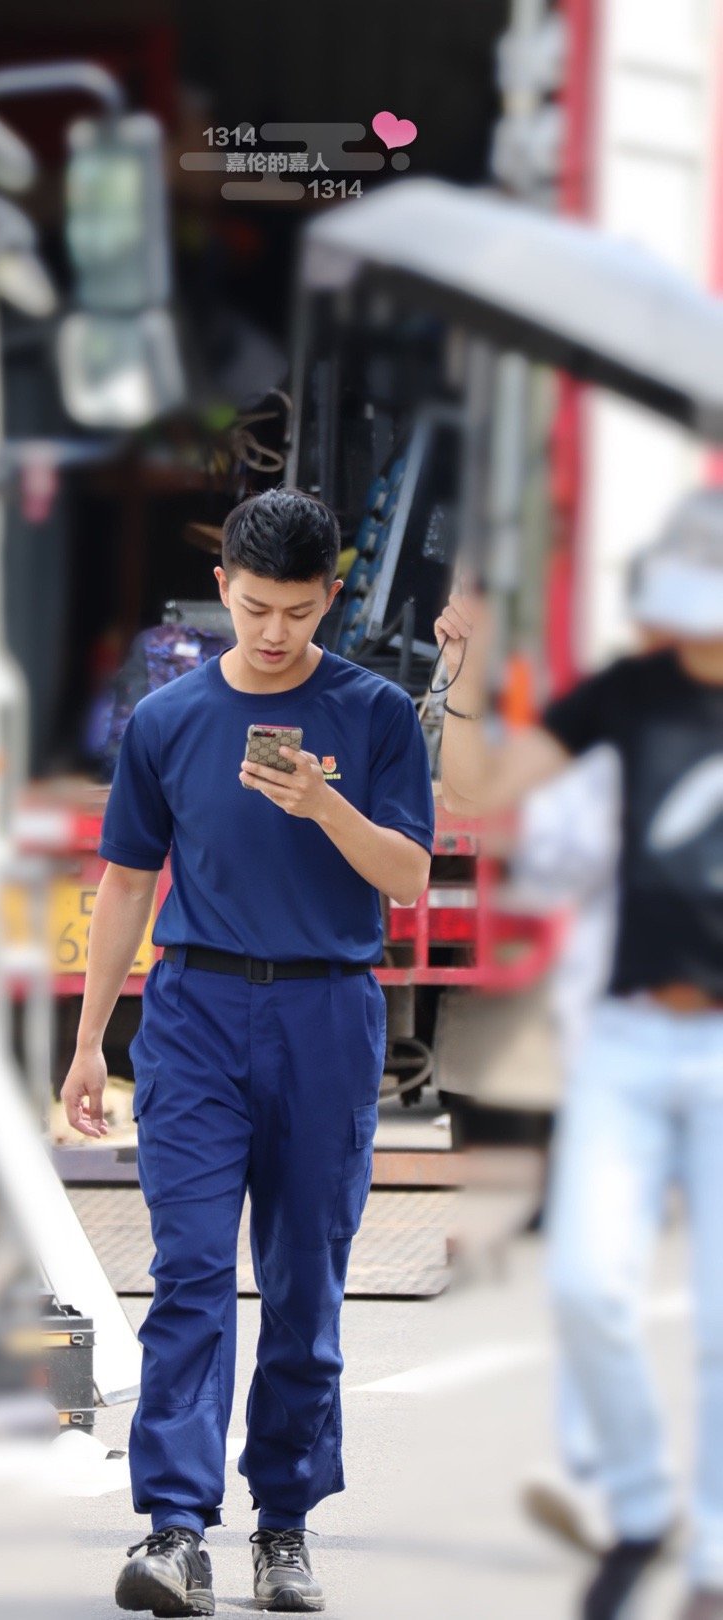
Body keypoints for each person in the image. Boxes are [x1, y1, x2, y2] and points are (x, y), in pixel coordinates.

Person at [61, 486, 434, 1616]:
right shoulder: (167, 721)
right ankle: (174, 1529)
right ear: (223, 587)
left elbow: (409, 878)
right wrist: (90, 1039)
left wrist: (323, 806)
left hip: (326, 1014)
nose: (274, 633)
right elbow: (128, 882)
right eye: (255, 606)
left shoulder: (376, 714)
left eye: (298, 611)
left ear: (333, 596)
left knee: (306, 1284)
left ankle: (284, 1526)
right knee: (187, 1274)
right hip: (196, 1015)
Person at [434, 488, 723, 1620]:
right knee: (589, 1283)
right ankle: (642, 1507)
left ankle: (711, 1560)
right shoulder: (625, 695)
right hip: (626, 1039)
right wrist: (465, 674)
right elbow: (483, 794)